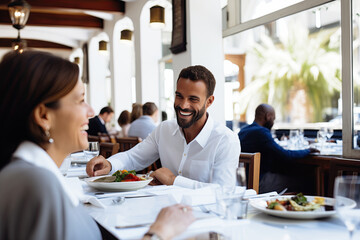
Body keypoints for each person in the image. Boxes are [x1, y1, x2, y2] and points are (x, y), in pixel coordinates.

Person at [0, 51, 194, 240]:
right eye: (80, 100)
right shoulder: (37, 185)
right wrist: (159, 232)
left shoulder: (31, 176)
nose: (91, 111)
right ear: (44, 116)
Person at [87, 65, 240, 189]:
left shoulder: (225, 140)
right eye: (179, 96)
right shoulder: (165, 129)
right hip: (164, 211)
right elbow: (133, 157)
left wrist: (174, 180)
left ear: (209, 102)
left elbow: (223, 192)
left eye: (193, 99)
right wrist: (110, 164)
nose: (183, 105)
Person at [238, 103, 319, 193]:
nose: (273, 122)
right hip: (259, 182)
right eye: (273, 119)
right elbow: (286, 155)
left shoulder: (243, 131)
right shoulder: (262, 132)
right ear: (268, 116)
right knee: (305, 181)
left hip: (244, 182)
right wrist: (308, 150)